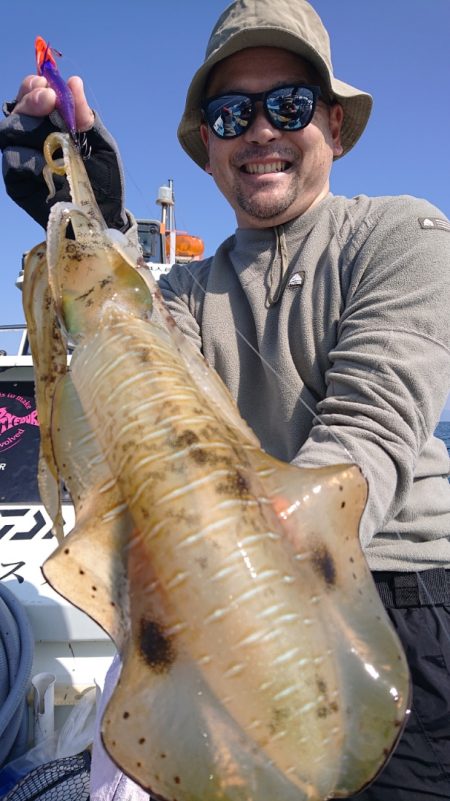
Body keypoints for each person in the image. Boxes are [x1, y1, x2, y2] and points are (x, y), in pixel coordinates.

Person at [1, 1, 450, 799]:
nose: (261, 132)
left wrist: (250, 592)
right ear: (208, 147)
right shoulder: (181, 294)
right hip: (211, 592)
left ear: (335, 127)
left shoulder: (403, 236)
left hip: (398, 589)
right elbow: (131, 352)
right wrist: (87, 217)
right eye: (231, 113)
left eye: (289, 105)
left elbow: (369, 433)